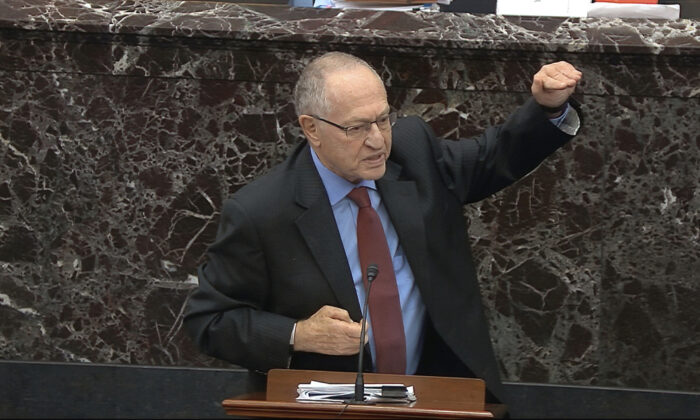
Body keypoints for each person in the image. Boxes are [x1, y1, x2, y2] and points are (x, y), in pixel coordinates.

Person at [183, 51, 582, 403]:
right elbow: (210, 320)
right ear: (312, 129)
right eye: (356, 128)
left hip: (437, 395)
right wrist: (297, 334)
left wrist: (546, 107)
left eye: (382, 119)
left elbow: (493, 156)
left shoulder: (413, 154)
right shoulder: (262, 211)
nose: (377, 141)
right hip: (328, 409)